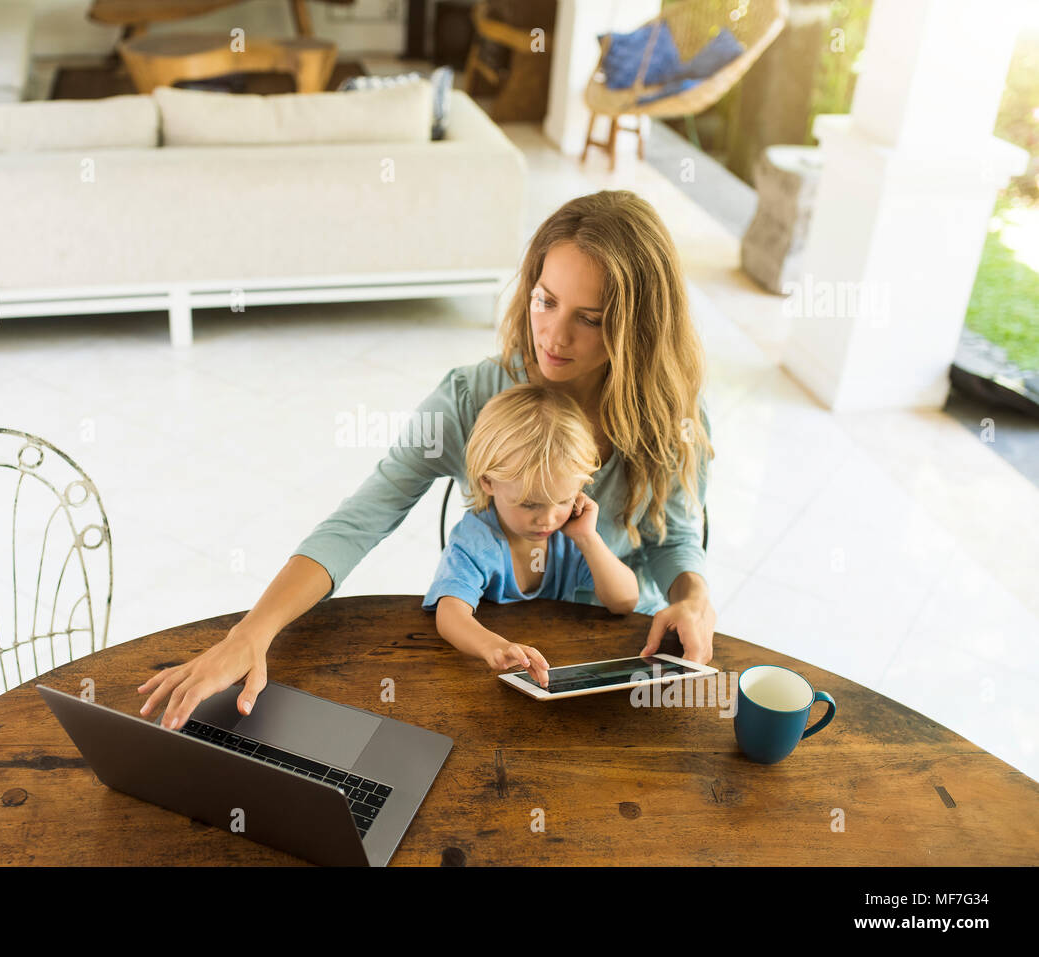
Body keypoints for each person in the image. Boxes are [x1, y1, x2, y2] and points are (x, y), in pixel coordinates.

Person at [139, 189, 716, 731]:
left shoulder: (670, 416)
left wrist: (692, 597)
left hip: (617, 661)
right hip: (495, 660)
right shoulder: (469, 399)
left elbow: (674, 542)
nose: (553, 335)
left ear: (639, 328)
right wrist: (251, 633)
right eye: (546, 300)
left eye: (589, 318)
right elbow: (364, 517)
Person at [425, 383, 640, 689]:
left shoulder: (569, 535)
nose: (549, 518)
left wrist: (588, 540)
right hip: (482, 678)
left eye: (564, 500)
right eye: (529, 504)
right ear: (488, 481)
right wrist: (492, 646)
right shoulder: (477, 540)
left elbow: (624, 601)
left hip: (551, 673)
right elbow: (450, 614)